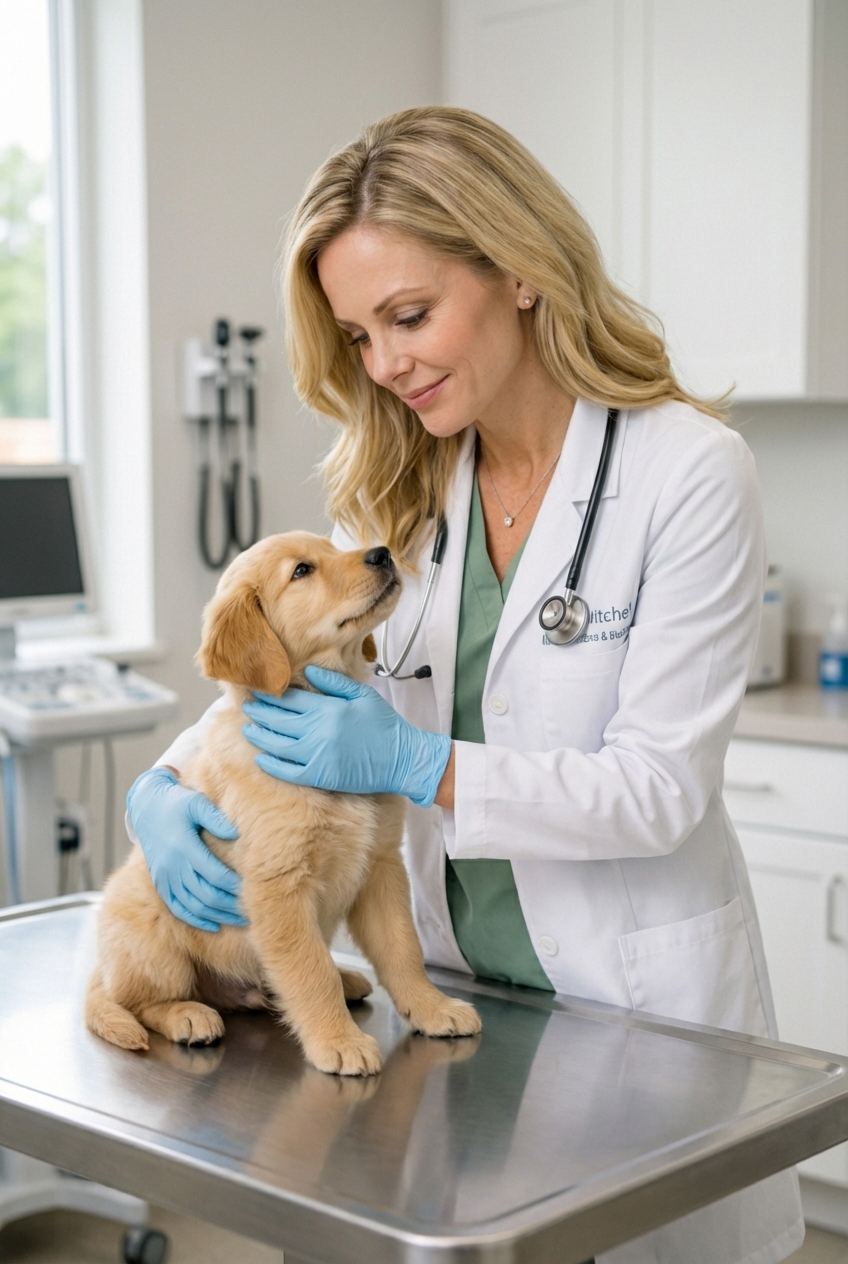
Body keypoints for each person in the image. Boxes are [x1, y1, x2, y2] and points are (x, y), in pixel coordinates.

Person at [127, 107, 803, 1264]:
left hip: (629, 1010)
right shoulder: (398, 484)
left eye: (408, 315)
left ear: (522, 270)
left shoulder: (684, 472)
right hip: (446, 1011)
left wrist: (419, 763)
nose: (383, 365)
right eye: (356, 336)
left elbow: (654, 790)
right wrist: (166, 775)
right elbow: (288, 668)